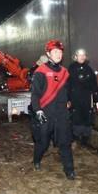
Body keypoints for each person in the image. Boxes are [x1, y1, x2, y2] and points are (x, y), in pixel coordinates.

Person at [30, 39, 75, 180]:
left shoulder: (65, 72)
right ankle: (36, 160)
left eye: (60, 52)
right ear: (48, 54)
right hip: (46, 113)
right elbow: (35, 94)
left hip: (61, 113)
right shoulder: (41, 71)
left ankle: (69, 171)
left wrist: (70, 101)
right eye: (55, 52)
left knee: (65, 142)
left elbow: (69, 90)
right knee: (43, 143)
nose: (58, 54)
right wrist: (38, 110)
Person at [68, 48, 98, 146]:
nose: (82, 57)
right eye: (79, 55)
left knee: (87, 116)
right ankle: (76, 136)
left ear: (86, 57)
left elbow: (94, 86)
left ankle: (86, 137)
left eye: (83, 55)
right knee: (76, 117)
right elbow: (67, 85)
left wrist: (97, 100)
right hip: (75, 99)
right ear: (75, 56)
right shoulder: (71, 68)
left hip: (87, 99)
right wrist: (67, 99)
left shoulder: (88, 69)